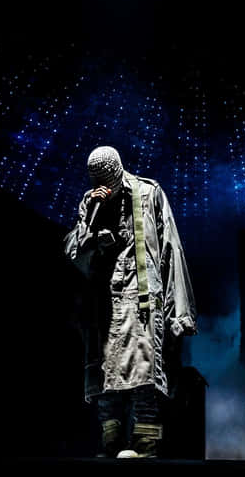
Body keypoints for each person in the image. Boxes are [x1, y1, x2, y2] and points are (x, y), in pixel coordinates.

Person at [64, 145, 198, 458]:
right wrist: (93, 224)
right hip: (104, 301)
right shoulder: (90, 202)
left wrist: (179, 313)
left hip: (141, 300)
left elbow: (170, 248)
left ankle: (146, 444)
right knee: (106, 378)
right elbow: (75, 252)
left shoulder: (149, 193)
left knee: (145, 376)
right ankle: (110, 442)